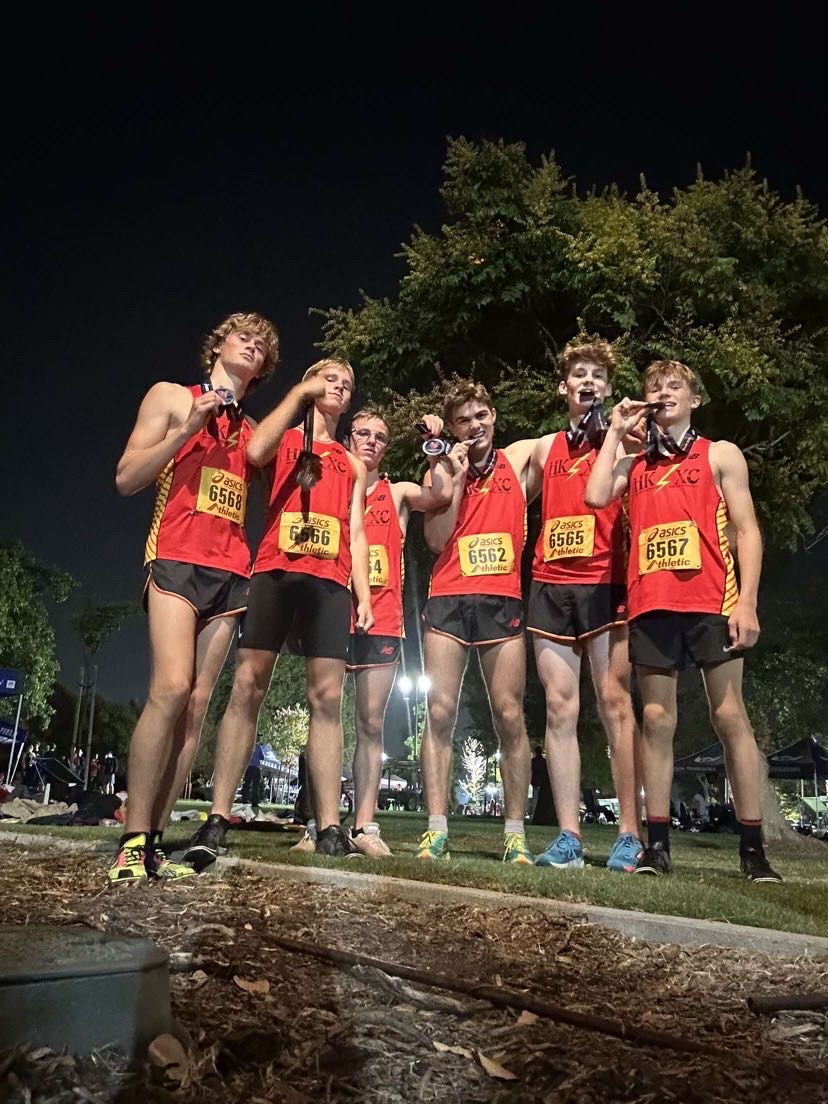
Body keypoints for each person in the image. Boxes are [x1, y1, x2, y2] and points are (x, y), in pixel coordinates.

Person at [585, 359, 782, 882]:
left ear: (693, 400)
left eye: (675, 386)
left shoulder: (719, 454)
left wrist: (748, 603)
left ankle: (752, 849)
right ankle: (659, 847)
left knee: (729, 716)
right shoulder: (635, 461)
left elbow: (747, 530)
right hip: (651, 607)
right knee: (656, 719)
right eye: (655, 387)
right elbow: (594, 494)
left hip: (713, 602)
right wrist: (616, 432)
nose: (664, 392)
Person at [109, 312, 279, 884]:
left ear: (263, 369)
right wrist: (185, 432)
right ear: (219, 344)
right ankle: (130, 841)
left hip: (232, 572)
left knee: (198, 704)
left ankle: (154, 841)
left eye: (262, 346)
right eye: (243, 337)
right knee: (171, 688)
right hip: (176, 559)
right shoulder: (171, 397)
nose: (252, 345)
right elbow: (127, 478)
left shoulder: (253, 428)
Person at [183, 357, 373, 867]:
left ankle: (330, 825)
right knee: (248, 686)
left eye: (346, 384)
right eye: (330, 379)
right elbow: (255, 449)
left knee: (327, 698)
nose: (338, 388)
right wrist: (300, 390)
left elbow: (355, 529)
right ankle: (219, 814)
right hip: (273, 571)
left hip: (329, 582)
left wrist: (365, 596)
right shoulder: (286, 437)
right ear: (312, 385)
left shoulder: (352, 464)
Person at [527, 340, 642, 872]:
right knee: (558, 708)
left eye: (598, 375)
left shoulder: (626, 442)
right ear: (564, 386)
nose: (588, 381)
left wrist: (621, 430)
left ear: (608, 388)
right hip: (550, 585)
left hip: (604, 582)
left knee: (614, 703)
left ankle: (629, 833)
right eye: (579, 374)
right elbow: (487, 476)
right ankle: (569, 835)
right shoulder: (544, 446)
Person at [415, 381, 537, 863]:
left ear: (494, 418)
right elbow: (437, 541)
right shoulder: (441, 473)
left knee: (509, 713)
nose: (476, 424)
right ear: (455, 428)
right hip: (448, 598)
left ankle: (514, 835)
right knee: (440, 711)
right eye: (464, 419)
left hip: (501, 598)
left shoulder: (520, 458)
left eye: (482, 414)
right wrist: (456, 476)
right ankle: (436, 828)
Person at [339, 408, 454, 857]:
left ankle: (364, 824)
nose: (370, 441)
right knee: (324, 716)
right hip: (334, 609)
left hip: (382, 618)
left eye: (380, 437)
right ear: (349, 438)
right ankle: (318, 821)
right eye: (363, 434)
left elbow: (441, 494)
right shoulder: (332, 482)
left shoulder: (398, 492)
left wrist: (435, 447)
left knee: (370, 722)